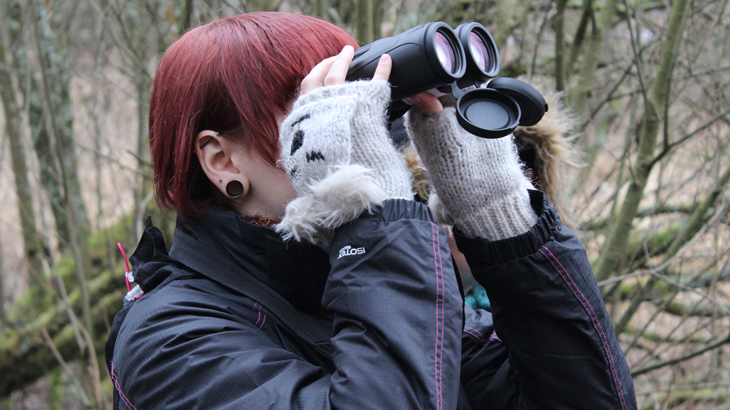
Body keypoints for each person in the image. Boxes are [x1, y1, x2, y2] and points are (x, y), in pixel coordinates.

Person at [105, 12, 637, 409]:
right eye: (311, 108)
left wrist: (500, 221)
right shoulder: (168, 342)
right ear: (222, 161)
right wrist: (373, 216)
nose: (351, 126)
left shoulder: (382, 280)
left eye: (356, 102)